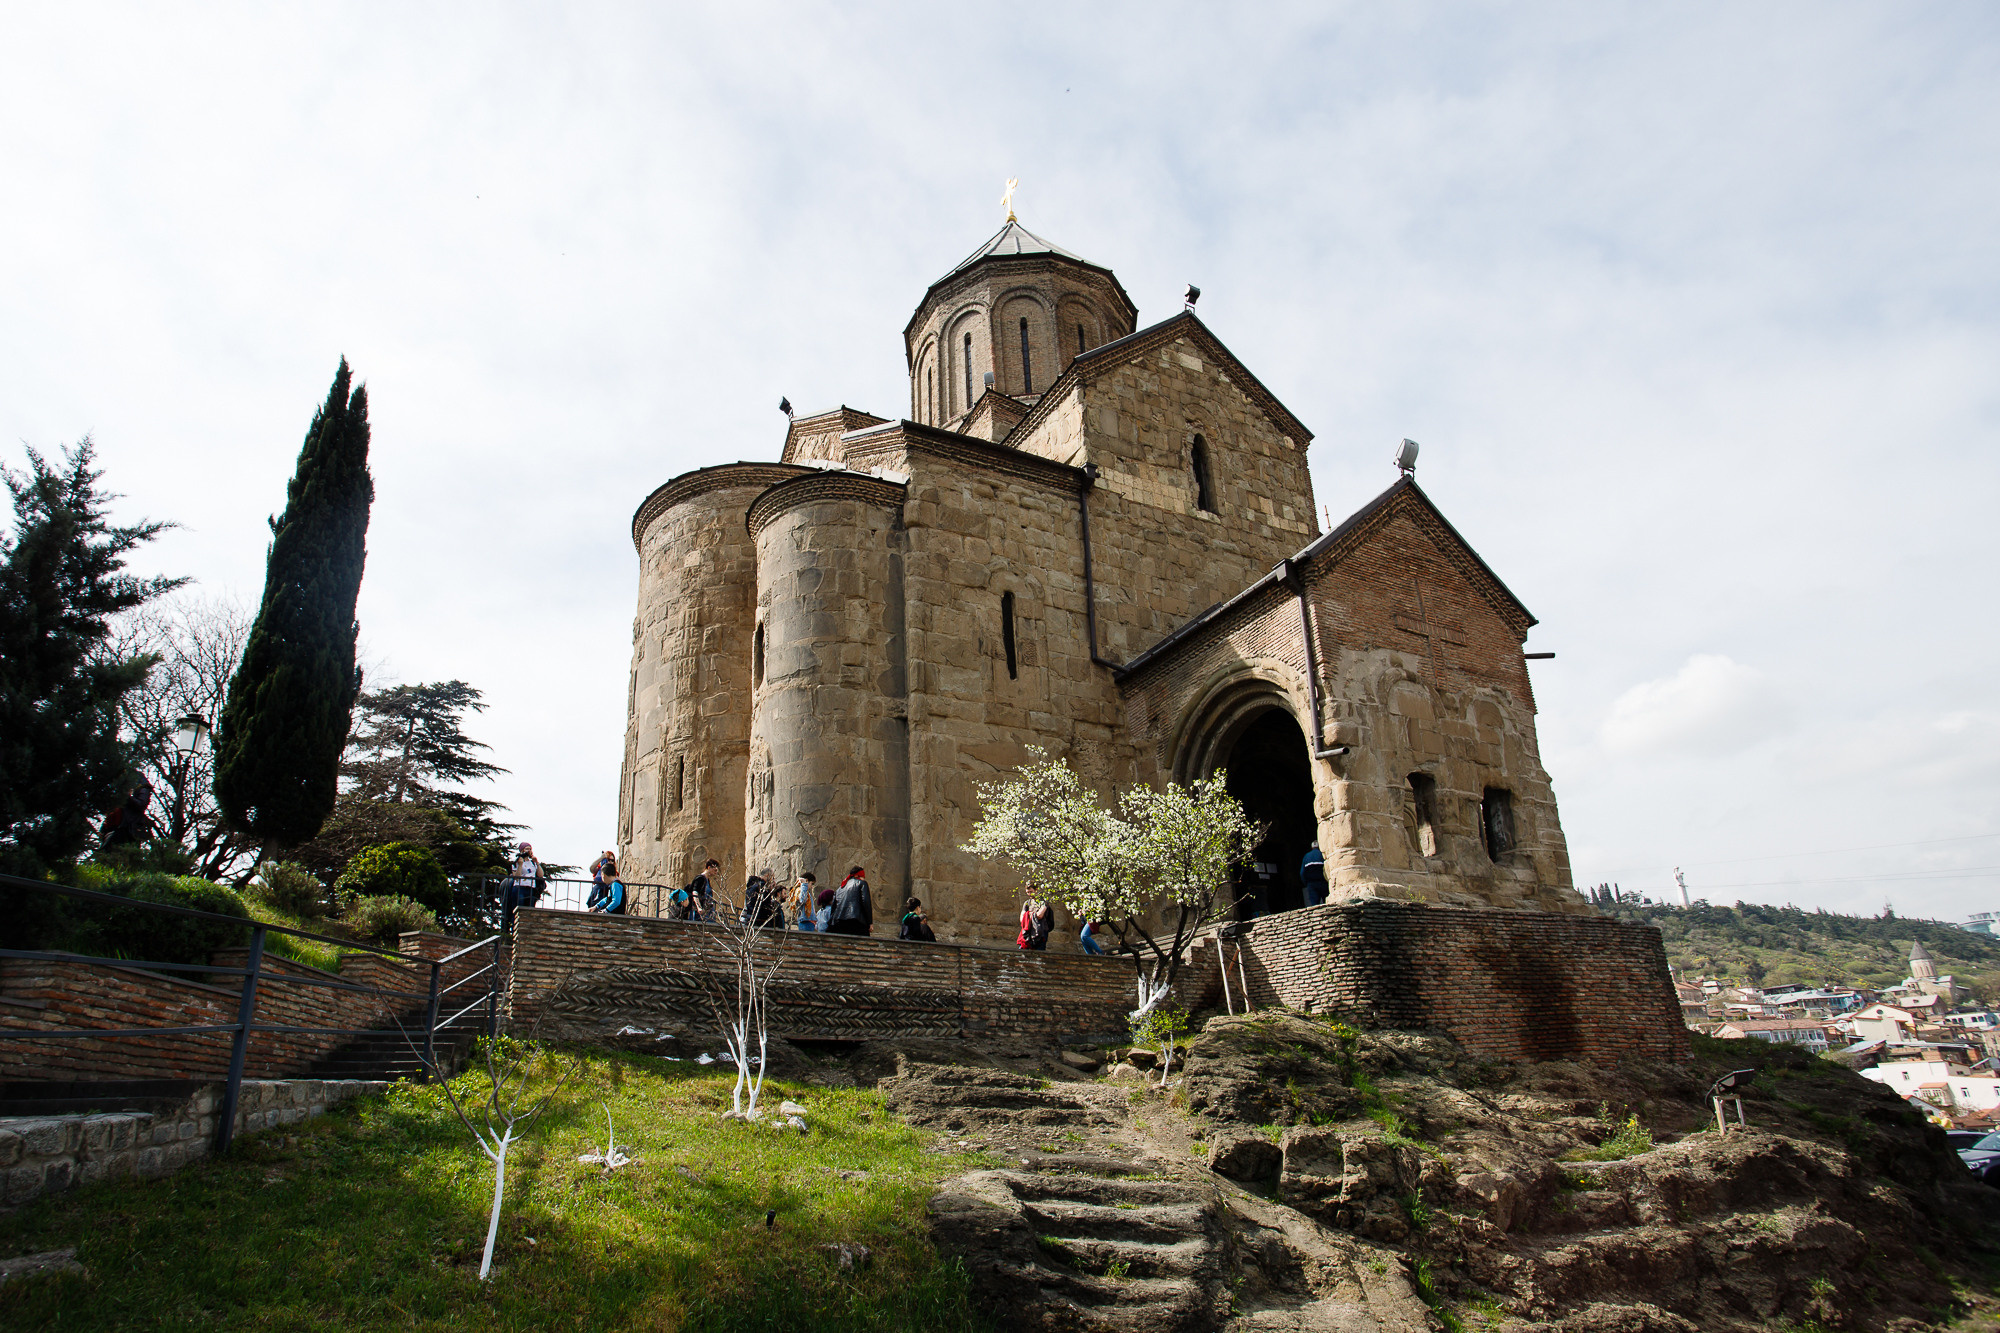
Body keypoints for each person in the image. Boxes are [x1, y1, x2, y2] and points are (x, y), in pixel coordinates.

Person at [503, 841, 540, 934]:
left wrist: (537, 863)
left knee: (529, 910)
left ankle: (527, 930)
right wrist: (520, 865)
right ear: (522, 850)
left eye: (530, 849)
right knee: (518, 909)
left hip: (531, 888)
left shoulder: (533, 863)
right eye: (527, 849)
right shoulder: (516, 862)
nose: (529, 851)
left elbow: (540, 875)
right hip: (520, 888)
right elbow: (516, 877)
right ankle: (514, 930)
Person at [827, 866, 873, 937]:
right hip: (856, 922)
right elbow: (866, 903)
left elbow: (834, 908)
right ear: (857, 875)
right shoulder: (862, 883)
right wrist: (870, 922)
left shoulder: (840, 888)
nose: (863, 878)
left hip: (839, 922)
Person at [686, 858, 720, 922]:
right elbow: (695, 892)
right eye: (715, 870)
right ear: (709, 867)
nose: (716, 873)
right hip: (699, 911)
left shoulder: (707, 880)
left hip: (707, 910)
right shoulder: (700, 878)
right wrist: (699, 907)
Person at [1300, 842, 1328, 909]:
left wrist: (1306, 883)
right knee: (1327, 903)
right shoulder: (1322, 855)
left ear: (1312, 847)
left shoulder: (1306, 856)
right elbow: (1327, 869)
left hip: (1311, 884)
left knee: (1315, 906)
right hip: (1323, 882)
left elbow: (1302, 873)